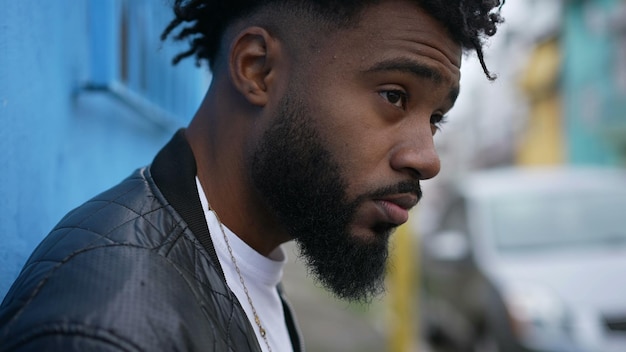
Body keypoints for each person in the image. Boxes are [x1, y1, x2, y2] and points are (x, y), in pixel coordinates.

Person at [0, 0, 504, 351]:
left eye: (435, 119)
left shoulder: (244, 255)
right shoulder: (108, 329)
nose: (428, 158)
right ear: (258, 68)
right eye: (395, 96)